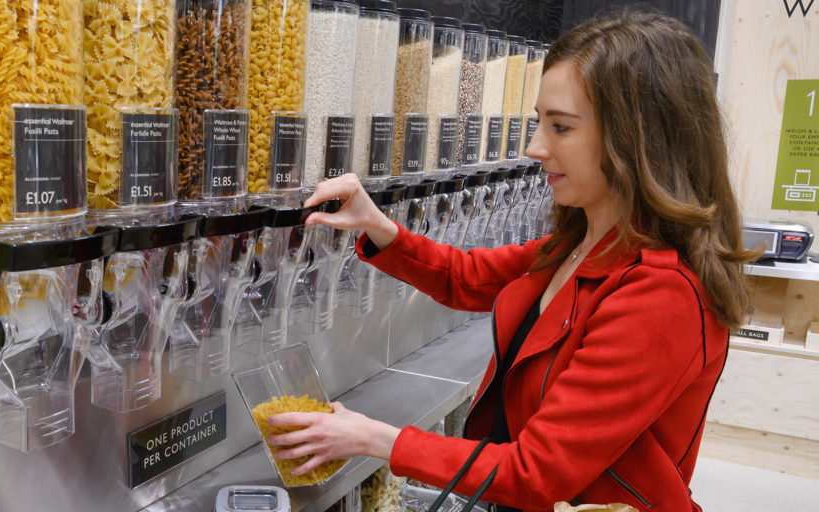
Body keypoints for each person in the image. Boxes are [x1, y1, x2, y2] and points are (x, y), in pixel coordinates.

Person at [265, 10, 756, 512]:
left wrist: (372, 439)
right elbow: (466, 278)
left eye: (560, 127)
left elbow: (536, 472)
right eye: (537, 122)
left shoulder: (660, 296)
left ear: (637, 139)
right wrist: (377, 226)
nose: (534, 147)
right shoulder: (580, 245)